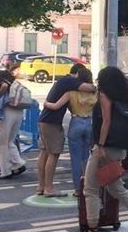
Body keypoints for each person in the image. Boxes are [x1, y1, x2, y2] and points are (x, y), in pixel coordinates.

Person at [75, 66, 128, 232]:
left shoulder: (105, 96)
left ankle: (91, 230)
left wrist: (100, 146)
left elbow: (106, 121)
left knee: (90, 189)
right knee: (116, 188)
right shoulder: (124, 98)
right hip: (120, 148)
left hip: (105, 149)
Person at [35, 63, 90, 197]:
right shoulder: (69, 82)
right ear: (76, 74)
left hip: (44, 120)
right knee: (53, 154)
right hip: (52, 123)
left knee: (44, 152)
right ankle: (49, 188)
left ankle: (41, 186)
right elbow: (90, 87)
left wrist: (47, 103)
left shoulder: (63, 82)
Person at [0, 69, 27, 179]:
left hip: (7, 112)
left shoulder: (4, 83)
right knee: (10, 141)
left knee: (2, 143)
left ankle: (5, 171)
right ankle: (18, 163)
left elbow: (4, 86)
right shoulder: (15, 83)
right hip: (19, 112)